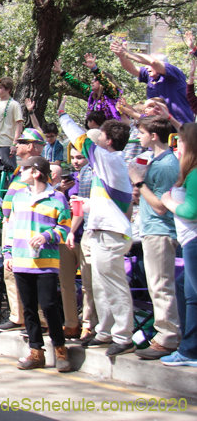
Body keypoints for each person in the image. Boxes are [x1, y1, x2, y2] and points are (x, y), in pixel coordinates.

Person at [59, 97, 136, 357]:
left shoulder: (109, 160)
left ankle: (124, 336)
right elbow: (114, 204)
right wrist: (87, 204)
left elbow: (80, 139)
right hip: (101, 232)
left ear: (108, 141)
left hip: (110, 235)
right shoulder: (108, 167)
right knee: (101, 286)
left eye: (99, 135)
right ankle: (104, 332)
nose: (95, 138)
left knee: (114, 285)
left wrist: (63, 116)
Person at [4, 156, 73, 371]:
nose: (19, 173)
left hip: (46, 262)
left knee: (50, 305)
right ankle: (36, 351)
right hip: (21, 260)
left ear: (35, 172)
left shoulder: (57, 198)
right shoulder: (18, 197)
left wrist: (48, 236)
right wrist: (8, 253)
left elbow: (65, 228)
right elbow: (12, 228)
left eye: (24, 169)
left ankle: (60, 349)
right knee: (29, 309)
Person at [128, 115, 181, 359]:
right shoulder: (153, 159)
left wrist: (139, 183)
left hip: (160, 231)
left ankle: (167, 338)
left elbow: (161, 206)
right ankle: (163, 334)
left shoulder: (166, 165)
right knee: (156, 286)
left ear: (154, 135)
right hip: (150, 230)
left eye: (141, 132)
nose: (138, 136)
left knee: (161, 286)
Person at [0, 127, 47, 332]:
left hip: (29, 226)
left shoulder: (40, 170)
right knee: (10, 271)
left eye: (20, 143)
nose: (16, 146)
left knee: (32, 272)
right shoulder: (19, 170)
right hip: (11, 225)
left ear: (31, 146)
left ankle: (40, 320)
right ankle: (18, 316)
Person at [159, 122, 197, 367]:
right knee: (187, 291)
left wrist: (167, 200)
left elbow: (191, 211)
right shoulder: (189, 173)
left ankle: (189, 351)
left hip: (193, 241)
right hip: (189, 241)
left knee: (192, 295)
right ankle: (189, 348)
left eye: (180, 141)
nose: (176, 144)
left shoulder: (194, 174)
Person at [61, 146, 98, 341]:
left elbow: (81, 210)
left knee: (88, 284)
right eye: (73, 157)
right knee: (66, 284)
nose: (76, 161)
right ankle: (71, 324)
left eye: (80, 157)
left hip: (85, 235)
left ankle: (89, 325)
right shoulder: (68, 182)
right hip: (67, 237)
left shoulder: (92, 177)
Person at [111, 39, 194, 125]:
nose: (146, 67)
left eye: (148, 65)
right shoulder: (150, 75)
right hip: (160, 127)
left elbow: (153, 62)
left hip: (180, 127)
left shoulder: (173, 72)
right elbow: (130, 68)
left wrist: (127, 54)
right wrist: (121, 56)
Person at [53, 53, 121, 120]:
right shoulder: (92, 94)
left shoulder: (112, 94)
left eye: (95, 80)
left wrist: (95, 69)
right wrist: (61, 72)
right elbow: (77, 84)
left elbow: (106, 83)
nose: (92, 81)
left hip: (113, 129)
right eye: (92, 79)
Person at [0, 77, 24, 170]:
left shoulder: (14, 104)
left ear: (8, 90)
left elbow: (19, 125)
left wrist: (14, 143)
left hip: (6, 144)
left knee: (9, 171)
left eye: (0, 88)